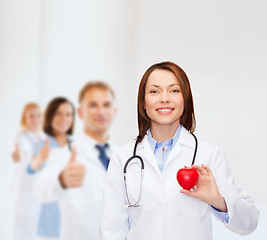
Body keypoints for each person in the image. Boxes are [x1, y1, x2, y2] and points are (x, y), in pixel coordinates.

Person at [99, 61, 259, 240]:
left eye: (174, 90)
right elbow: (111, 230)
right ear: (143, 102)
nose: (164, 98)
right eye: (154, 91)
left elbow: (250, 222)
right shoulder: (124, 158)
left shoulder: (209, 155)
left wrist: (218, 201)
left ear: (185, 99)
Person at [34, 81, 118, 240]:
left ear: (114, 111)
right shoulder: (64, 154)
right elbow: (41, 189)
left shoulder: (123, 155)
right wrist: (61, 179)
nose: (101, 111)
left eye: (106, 105)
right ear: (80, 113)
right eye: (93, 105)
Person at [27, 97, 75, 240]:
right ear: (50, 116)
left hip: (73, 220)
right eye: (58, 113)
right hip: (50, 223)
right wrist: (40, 159)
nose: (63, 119)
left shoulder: (77, 146)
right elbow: (32, 167)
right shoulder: (43, 144)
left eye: (68, 114)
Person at [11, 102, 45, 240]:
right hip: (25, 198)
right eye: (31, 116)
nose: (36, 119)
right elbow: (21, 153)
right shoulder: (21, 137)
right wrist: (19, 155)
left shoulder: (44, 139)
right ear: (24, 119)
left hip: (40, 197)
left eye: (38, 115)